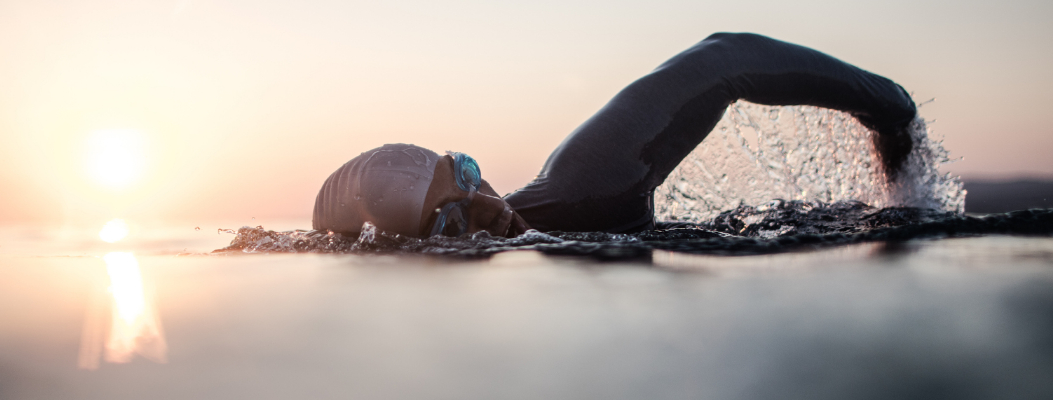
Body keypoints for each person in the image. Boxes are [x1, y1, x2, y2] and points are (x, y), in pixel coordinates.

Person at [312, 32, 917, 239]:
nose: (490, 207)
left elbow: (723, 58)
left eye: (468, 174)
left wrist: (889, 113)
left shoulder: (588, 186)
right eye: (450, 221)